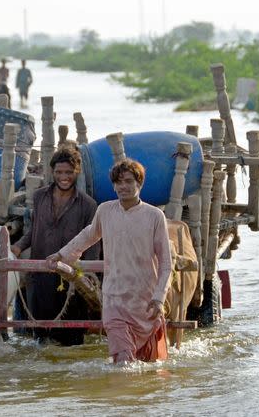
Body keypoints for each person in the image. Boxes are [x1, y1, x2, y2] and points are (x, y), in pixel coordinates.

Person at [47, 158, 172, 364]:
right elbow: (89, 235)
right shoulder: (105, 211)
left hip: (144, 300)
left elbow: (166, 263)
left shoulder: (155, 216)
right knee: (122, 360)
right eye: (118, 182)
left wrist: (159, 298)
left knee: (146, 363)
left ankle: (137, 395)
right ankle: (117, 392)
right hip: (114, 298)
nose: (123, 187)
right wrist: (62, 254)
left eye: (129, 181)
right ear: (113, 185)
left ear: (139, 183)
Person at [12, 147, 99, 346]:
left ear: (77, 172)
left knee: (71, 342)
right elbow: (33, 231)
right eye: (59, 172)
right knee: (41, 341)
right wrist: (16, 247)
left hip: (71, 283)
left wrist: (87, 278)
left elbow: (92, 243)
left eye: (69, 172)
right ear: (52, 172)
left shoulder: (88, 205)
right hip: (41, 277)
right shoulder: (40, 197)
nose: (64, 177)